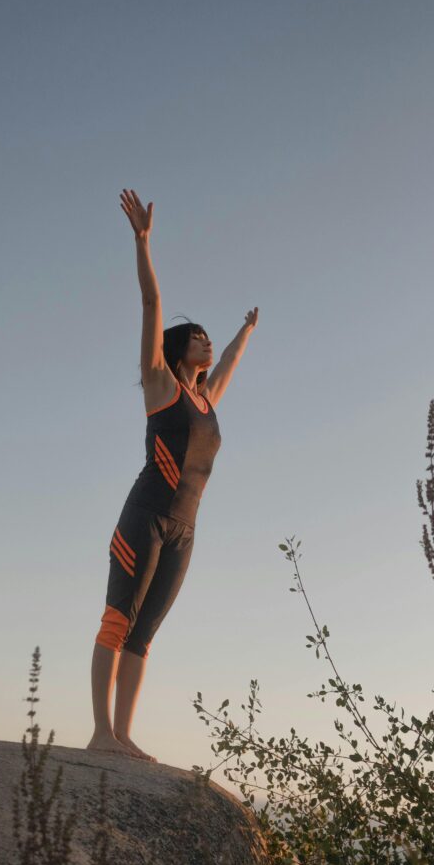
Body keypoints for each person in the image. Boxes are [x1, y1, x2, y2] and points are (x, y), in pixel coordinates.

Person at [86, 189, 259, 761]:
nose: (207, 342)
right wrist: (143, 243)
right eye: (199, 336)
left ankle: (124, 735)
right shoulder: (161, 386)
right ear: (180, 348)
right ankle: (99, 733)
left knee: (145, 633)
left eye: (209, 337)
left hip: (185, 530)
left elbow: (229, 361)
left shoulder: (206, 399)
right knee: (118, 618)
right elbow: (151, 302)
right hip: (145, 517)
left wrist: (245, 333)